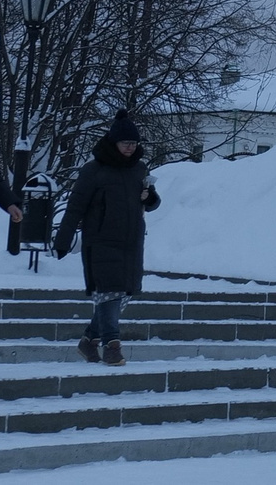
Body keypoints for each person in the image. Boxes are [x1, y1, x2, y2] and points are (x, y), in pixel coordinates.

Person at [52, 112, 160, 368]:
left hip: (132, 242)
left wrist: (149, 198)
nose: (130, 148)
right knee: (109, 292)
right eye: (125, 143)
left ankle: (89, 340)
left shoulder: (139, 169)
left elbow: (153, 201)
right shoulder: (94, 170)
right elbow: (76, 206)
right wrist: (62, 240)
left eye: (133, 143)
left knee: (122, 295)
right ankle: (112, 346)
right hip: (101, 241)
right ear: (114, 142)